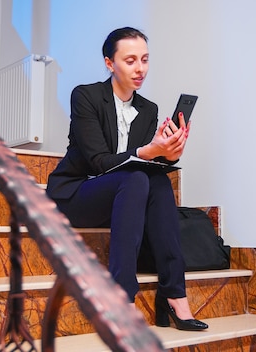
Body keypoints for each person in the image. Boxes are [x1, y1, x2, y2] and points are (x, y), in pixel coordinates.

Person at [46, 27, 207, 331]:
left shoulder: (149, 109)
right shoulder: (86, 96)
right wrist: (149, 151)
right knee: (134, 179)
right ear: (110, 63)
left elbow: (144, 162)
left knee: (157, 181)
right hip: (78, 191)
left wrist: (168, 154)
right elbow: (99, 162)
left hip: (123, 195)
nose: (140, 68)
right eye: (130, 60)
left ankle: (174, 295)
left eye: (145, 60)